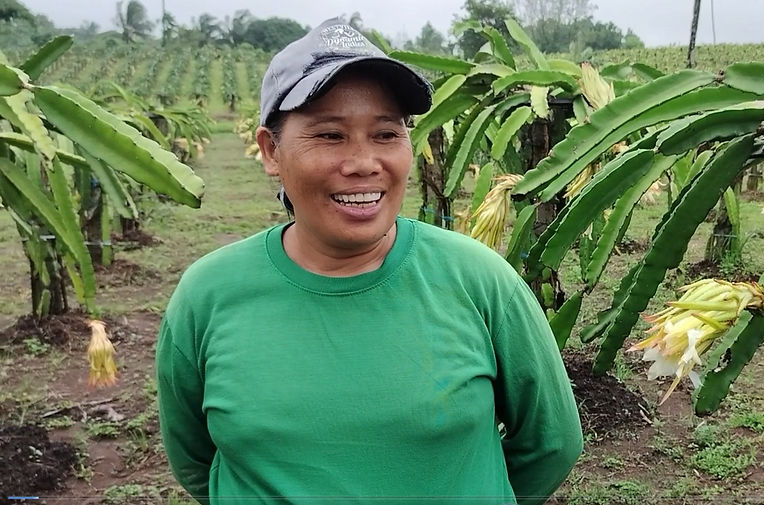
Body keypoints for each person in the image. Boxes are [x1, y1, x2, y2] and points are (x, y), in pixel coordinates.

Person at [155, 17, 583, 505]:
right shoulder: (206, 295)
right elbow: (193, 458)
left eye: (385, 134)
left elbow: (552, 443)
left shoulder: (481, 280)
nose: (363, 163)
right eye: (330, 135)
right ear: (271, 151)